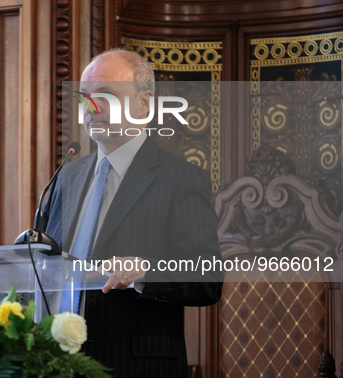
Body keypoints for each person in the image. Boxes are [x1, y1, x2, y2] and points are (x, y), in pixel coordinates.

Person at [42, 48, 223, 377]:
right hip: (56, 366)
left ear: (144, 104)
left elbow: (207, 280)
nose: (91, 108)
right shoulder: (65, 177)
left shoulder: (180, 178)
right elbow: (44, 269)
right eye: (85, 97)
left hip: (134, 366)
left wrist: (145, 272)